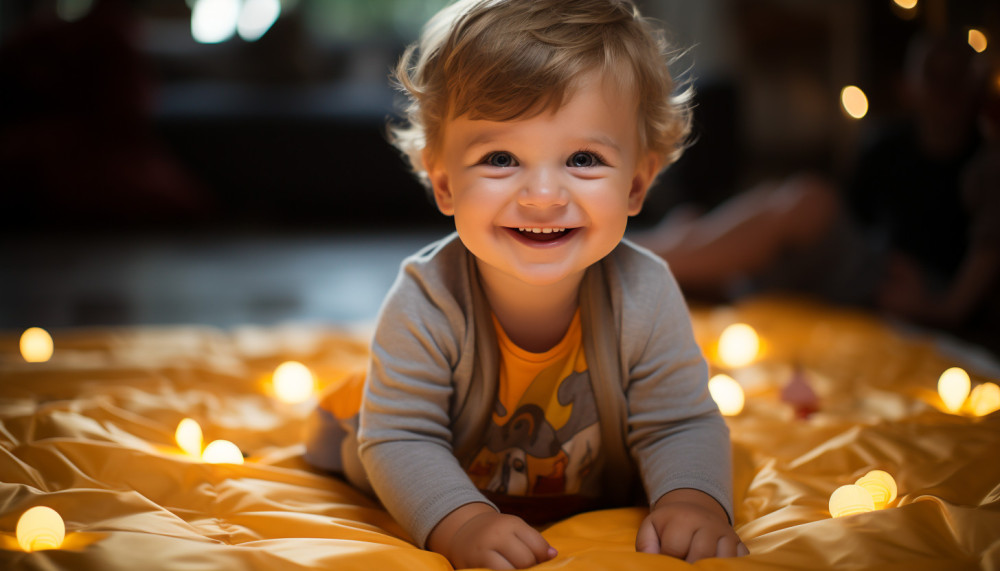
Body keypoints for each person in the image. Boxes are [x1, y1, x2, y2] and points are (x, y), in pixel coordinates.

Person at [304, 0, 747, 568]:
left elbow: (680, 422)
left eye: (582, 158)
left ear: (637, 185)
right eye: (501, 158)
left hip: (572, 477)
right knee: (358, 447)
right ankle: (349, 413)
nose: (542, 196)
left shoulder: (645, 292)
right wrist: (463, 522)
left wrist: (691, 501)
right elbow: (402, 437)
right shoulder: (428, 298)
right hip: (425, 451)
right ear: (445, 184)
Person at [632, 35, 1000, 353]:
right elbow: (850, 222)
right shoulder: (888, 146)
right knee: (715, 222)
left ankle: (635, 254)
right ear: (908, 86)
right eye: (934, 75)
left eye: (956, 76)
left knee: (811, 202)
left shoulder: (986, 164)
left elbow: (988, 246)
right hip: (868, 263)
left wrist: (938, 306)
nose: (945, 89)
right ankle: (658, 251)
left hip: (902, 284)